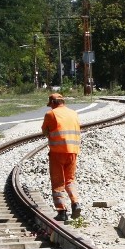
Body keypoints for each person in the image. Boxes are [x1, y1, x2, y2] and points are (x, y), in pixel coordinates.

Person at [41, 93, 82, 222]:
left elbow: (45, 131)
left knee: (58, 182)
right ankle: (75, 203)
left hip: (57, 153)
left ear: (53, 103)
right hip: (73, 152)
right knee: (70, 180)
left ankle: (62, 211)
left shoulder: (51, 114)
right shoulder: (73, 113)